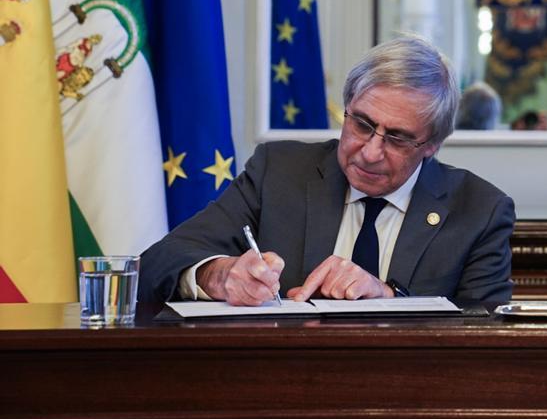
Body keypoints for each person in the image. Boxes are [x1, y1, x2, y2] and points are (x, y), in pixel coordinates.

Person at [140, 34, 515, 306]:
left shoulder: (479, 210)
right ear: (347, 108)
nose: (369, 153)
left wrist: (387, 297)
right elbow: (159, 262)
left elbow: (486, 328)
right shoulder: (278, 173)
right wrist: (218, 276)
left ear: (432, 144)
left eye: (397, 138)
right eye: (362, 125)